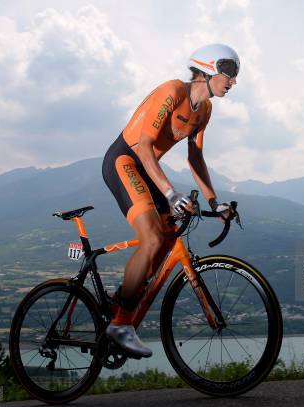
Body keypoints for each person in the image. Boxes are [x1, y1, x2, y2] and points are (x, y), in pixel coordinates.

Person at [101, 44, 239, 358]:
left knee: (167, 234)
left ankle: (123, 296)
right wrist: (169, 192)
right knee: (150, 239)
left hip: (148, 168)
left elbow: (195, 158)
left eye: (235, 75)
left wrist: (214, 201)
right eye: (229, 73)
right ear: (207, 69)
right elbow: (146, 146)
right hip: (125, 160)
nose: (232, 82)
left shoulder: (204, 110)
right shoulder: (172, 91)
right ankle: (120, 324)